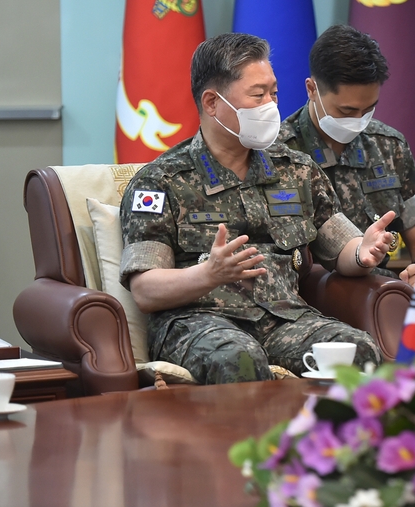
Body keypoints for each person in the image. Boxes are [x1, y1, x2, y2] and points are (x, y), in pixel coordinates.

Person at [119, 32, 397, 385]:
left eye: (274, 93)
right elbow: (145, 289)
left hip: (285, 320)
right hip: (198, 323)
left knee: (355, 349)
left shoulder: (297, 170)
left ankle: (328, 441)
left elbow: (340, 249)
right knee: (238, 358)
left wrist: (363, 252)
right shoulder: (160, 181)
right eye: (258, 94)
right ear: (211, 102)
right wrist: (208, 274)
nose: (271, 104)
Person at [278, 24, 415, 284]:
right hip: (306, 301)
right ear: (312, 90)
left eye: (369, 109)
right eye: (346, 111)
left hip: (378, 294)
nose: (358, 121)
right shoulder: (278, 154)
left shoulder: (389, 147)